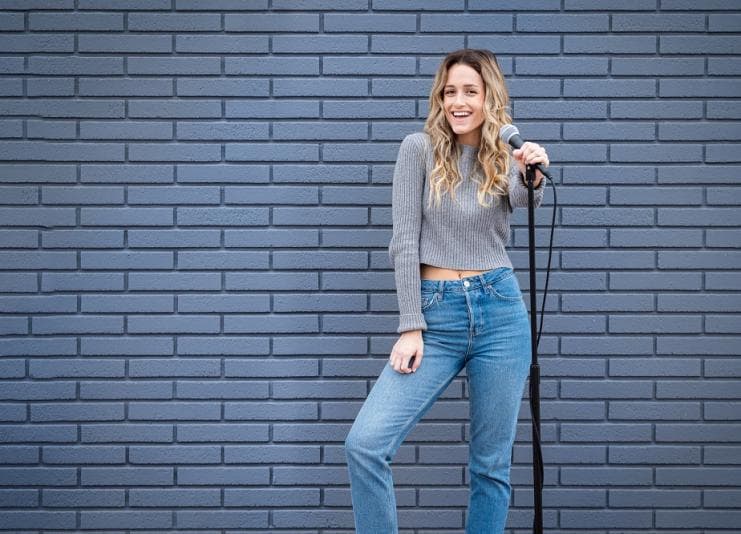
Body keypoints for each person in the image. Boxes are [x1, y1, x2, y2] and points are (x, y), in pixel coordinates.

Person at [344, 48, 550, 533]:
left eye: (470, 92)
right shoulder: (418, 149)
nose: (458, 101)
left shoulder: (503, 151)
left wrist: (531, 169)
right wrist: (411, 324)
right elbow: (404, 240)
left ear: (488, 97)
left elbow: (523, 200)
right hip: (435, 318)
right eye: (450, 91)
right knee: (366, 443)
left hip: (500, 311)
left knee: (490, 466)